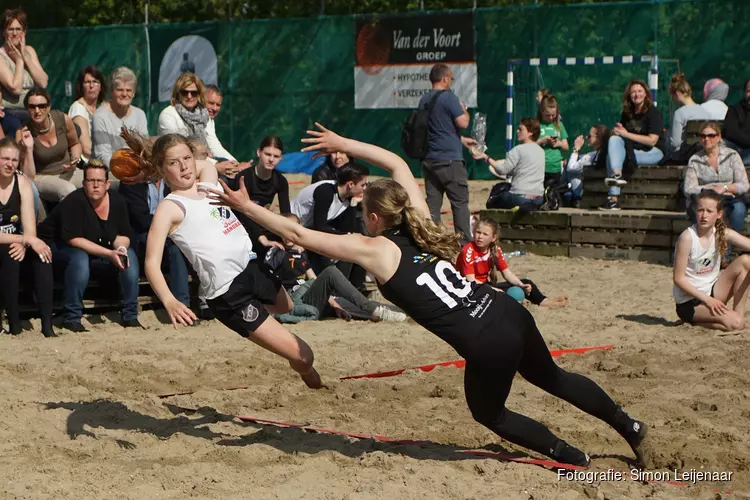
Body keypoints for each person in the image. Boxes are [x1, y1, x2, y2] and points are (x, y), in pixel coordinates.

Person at [210, 123, 651, 468]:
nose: (361, 218)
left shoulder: (377, 251)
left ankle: (573, 457)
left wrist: (245, 206)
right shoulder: (422, 222)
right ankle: (628, 425)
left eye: (364, 212)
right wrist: (345, 142)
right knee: (553, 378)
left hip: (485, 341)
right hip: (507, 311)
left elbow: (295, 231)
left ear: (377, 218)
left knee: (490, 415)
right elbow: (399, 165)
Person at [127, 132, 322, 389]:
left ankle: (276, 338)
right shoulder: (171, 207)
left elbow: (206, 164)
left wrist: (170, 153)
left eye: (187, 158)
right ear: (162, 170)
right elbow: (151, 263)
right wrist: (169, 300)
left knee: (285, 307)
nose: (184, 166)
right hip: (229, 293)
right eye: (174, 163)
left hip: (252, 268)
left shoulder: (208, 183)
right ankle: (311, 379)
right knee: (304, 356)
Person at [37, 160, 141, 333]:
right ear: (84, 183)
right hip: (55, 246)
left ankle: (130, 315)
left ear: (107, 184)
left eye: (99, 181)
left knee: (129, 254)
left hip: (98, 247)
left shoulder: (117, 201)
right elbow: (73, 239)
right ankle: (71, 317)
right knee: (79, 258)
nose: (95, 185)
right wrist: (109, 253)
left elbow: (124, 235)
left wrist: (120, 248)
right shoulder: (74, 201)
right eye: (90, 181)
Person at [265, 213, 406, 323]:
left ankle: (390, 311)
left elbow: (312, 277)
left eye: (292, 229)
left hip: (312, 297)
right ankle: (373, 308)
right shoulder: (277, 251)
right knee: (331, 273)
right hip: (295, 300)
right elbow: (267, 280)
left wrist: (331, 300)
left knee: (348, 304)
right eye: (285, 230)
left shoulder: (301, 252)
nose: (288, 235)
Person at [673, 190, 750, 331]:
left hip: (713, 291)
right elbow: (678, 279)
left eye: (709, 211)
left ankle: (738, 315)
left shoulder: (721, 233)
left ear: (719, 214)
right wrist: (708, 300)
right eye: (701, 210)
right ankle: (693, 320)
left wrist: (711, 298)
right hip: (690, 302)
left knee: (746, 261)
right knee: (735, 324)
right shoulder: (687, 238)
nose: (704, 215)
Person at [0, 137, 54, 337]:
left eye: (14, 160)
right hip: (6, 243)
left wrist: (25, 241)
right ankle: (14, 324)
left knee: (43, 255)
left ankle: (47, 325)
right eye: (5, 159)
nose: (10, 164)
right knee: (10, 254)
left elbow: (30, 229)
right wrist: (22, 240)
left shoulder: (22, 183)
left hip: (16, 239)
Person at [418, 63, 476, 243]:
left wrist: (461, 140)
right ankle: (464, 244)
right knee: (459, 204)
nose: (450, 81)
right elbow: (463, 123)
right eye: (450, 78)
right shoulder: (449, 98)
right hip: (450, 161)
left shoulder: (425, 99)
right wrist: (463, 108)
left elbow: (438, 129)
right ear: (444, 78)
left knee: (433, 206)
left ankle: (432, 242)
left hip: (430, 159)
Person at [456, 218, 568, 308]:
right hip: (469, 288)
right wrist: (493, 289)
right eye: (478, 232)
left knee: (526, 282)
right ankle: (517, 303)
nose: (480, 237)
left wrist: (520, 285)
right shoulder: (468, 250)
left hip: (485, 286)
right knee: (497, 294)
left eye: (485, 234)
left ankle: (544, 301)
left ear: (493, 238)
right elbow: (470, 280)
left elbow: (507, 273)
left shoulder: (495, 250)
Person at [118, 178, 190, 308]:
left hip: (170, 233)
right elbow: (140, 218)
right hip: (142, 235)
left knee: (177, 247)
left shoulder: (171, 182)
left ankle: (183, 305)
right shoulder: (131, 181)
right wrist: (169, 222)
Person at [158, 73, 241, 178]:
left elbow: (214, 144)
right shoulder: (168, 115)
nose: (189, 96)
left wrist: (235, 163)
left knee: (239, 175)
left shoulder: (204, 114)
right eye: (185, 92)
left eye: (194, 93)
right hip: (179, 169)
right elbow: (181, 151)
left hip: (205, 161)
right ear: (178, 93)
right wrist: (215, 165)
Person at [291, 162, 369, 273]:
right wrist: (345, 236)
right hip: (294, 227)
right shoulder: (326, 191)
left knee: (354, 252)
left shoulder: (347, 197)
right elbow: (320, 226)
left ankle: (352, 287)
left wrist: (353, 204)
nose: (365, 189)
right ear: (351, 184)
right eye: (363, 185)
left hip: (309, 229)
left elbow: (348, 229)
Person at [602, 80, 665, 211]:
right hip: (632, 149)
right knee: (614, 140)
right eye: (633, 92)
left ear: (646, 93)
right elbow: (622, 135)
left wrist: (626, 134)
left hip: (653, 151)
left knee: (613, 157)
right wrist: (618, 132)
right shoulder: (627, 113)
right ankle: (617, 176)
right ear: (629, 96)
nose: (636, 94)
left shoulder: (653, 113)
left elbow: (652, 141)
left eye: (640, 91)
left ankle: (613, 197)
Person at [15, 87, 82, 203]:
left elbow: (75, 143)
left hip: (69, 172)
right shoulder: (22, 133)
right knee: (68, 190)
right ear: (27, 109)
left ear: (49, 107)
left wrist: (75, 159)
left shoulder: (62, 119)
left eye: (41, 106)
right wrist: (29, 149)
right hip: (43, 176)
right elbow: (27, 177)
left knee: (98, 181)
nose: (37, 111)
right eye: (32, 107)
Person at [683, 121, 748, 236]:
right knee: (702, 210)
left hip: (729, 198)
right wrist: (710, 188)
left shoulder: (732, 155)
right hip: (705, 199)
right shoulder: (695, 159)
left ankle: (726, 248)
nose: (707, 139)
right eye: (703, 136)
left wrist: (725, 187)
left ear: (719, 137)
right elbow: (688, 189)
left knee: (738, 210)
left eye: (711, 135)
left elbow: (744, 185)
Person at [233, 135, 291, 260]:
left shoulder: (280, 181)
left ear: (281, 158)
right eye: (267, 154)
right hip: (240, 224)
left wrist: (291, 238)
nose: (271, 159)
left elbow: (286, 214)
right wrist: (261, 238)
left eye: (276, 156)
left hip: (262, 223)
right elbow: (241, 212)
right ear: (259, 152)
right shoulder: (244, 177)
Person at [473, 118, 544, 210]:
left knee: (497, 194)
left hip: (519, 198)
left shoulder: (518, 150)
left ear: (531, 132)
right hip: (538, 199)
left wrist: (487, 158)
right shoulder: (541, 151)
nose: (517, 131)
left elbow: (502, 170)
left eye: (520, 129)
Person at [92, 66, 148, 169]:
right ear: (112, 91)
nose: (124, 94)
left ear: (134, 93)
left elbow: (144, 149)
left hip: (137, 171)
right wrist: (125, 169)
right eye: (120, 90)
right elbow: (103, 156)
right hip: (110, 172)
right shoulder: (100, 116)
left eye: (129, 90)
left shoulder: (140, 115)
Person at [0, 8, 47, 122]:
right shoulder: (1, 56)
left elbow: (43, 82)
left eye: (18, 29)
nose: (15, 33)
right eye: (10, 29)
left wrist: (25, 57)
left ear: (24, 32)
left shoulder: (30, 51)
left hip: (34, 108)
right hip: (11, 112)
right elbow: (15, 88)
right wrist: (19, 61)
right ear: (4, 32)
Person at [564, 125, 610, 207]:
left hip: (588, 192)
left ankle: (558, 191)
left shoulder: (590, 157)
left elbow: (570, 168)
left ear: (598, 138)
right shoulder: (605, 154)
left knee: (569, 170)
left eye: (589, 136)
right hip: (604, 190)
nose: (586, 137)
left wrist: (576, 149)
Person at [68, 65, 106, 161]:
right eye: (87, 82)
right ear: (82, 86)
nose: (91, 86)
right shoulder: (78, 109)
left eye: (95, 82)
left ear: (101, 86)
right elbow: (87, 149)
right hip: (87, 165)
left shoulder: (102, 108)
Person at [667, 73, 710, 154]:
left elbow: (675, 144)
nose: (673, 100)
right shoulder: (705, 111)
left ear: (677, 94)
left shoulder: (679, 113)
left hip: (684, 156)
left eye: (672, 96)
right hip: (703, 153)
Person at [536, 94, 569, 189]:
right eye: (547, 115)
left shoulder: (559, 125)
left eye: (553, 115)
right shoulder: (537, 125)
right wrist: (542, 140)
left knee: (553, 194)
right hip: (539, 167)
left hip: (555, 168)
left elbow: (566, 147)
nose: (550, 118)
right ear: (542, 111)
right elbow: (529, 146)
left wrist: (559, 143)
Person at [723, 78, 750, 165]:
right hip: (739, 151)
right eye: (749, 91)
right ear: (744, 92)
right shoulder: (734, 110)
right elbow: (731, 132)